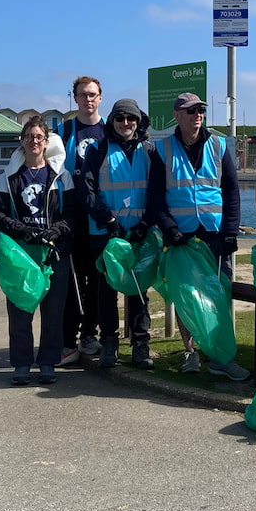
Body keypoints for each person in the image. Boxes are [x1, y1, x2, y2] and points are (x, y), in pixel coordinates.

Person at [148, 92, 248, 381]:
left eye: (201, 109)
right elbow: (155, 198)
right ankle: (190, 352)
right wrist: (169, 229)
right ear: (177, 115)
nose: (197, 114)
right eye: (190, 110)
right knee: (185, 296)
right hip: (181, 237)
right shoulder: (163, 149)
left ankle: (221, 357)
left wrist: (231, 230)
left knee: (219, 295)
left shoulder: (217, 145)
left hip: (216, 235)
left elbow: (231, 191)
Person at [0, 116, 73, 386]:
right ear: (22, 141)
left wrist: (56, 231)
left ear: (47, 142)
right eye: (29, 137)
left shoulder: (61, 177)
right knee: (20, 309)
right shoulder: (10, 177)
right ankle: (22, 363)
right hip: (21, 252)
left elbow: (71, 215)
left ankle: (48, 361)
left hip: (52, 251)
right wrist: (21, 230)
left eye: (39, 137)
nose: (34, 141)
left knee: (53, 310)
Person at [82, 98, 157, 370]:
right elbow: (86, 192)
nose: (126, 123)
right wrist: (109, 220)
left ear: (139, 122)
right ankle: (109, 344)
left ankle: (140, 344)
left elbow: (157, 192)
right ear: (112, 121)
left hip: (139, 232)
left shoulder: (149, 151)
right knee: (106, 291)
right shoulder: (97, 150)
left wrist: (145, 224)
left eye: (132, 119)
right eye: (120, 118)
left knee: (139, 291)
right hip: (105, 232)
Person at [57, 76, 106, 363]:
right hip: (72, 219)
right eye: (82, 95)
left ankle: (90, 334)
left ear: (100, 97)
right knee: (71, 282)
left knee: (97, 281)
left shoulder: (108, 131)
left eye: (93, 94)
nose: (88, 99)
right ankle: (67, 340)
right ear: (74, 98)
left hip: (99, 218)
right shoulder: (63, 131)